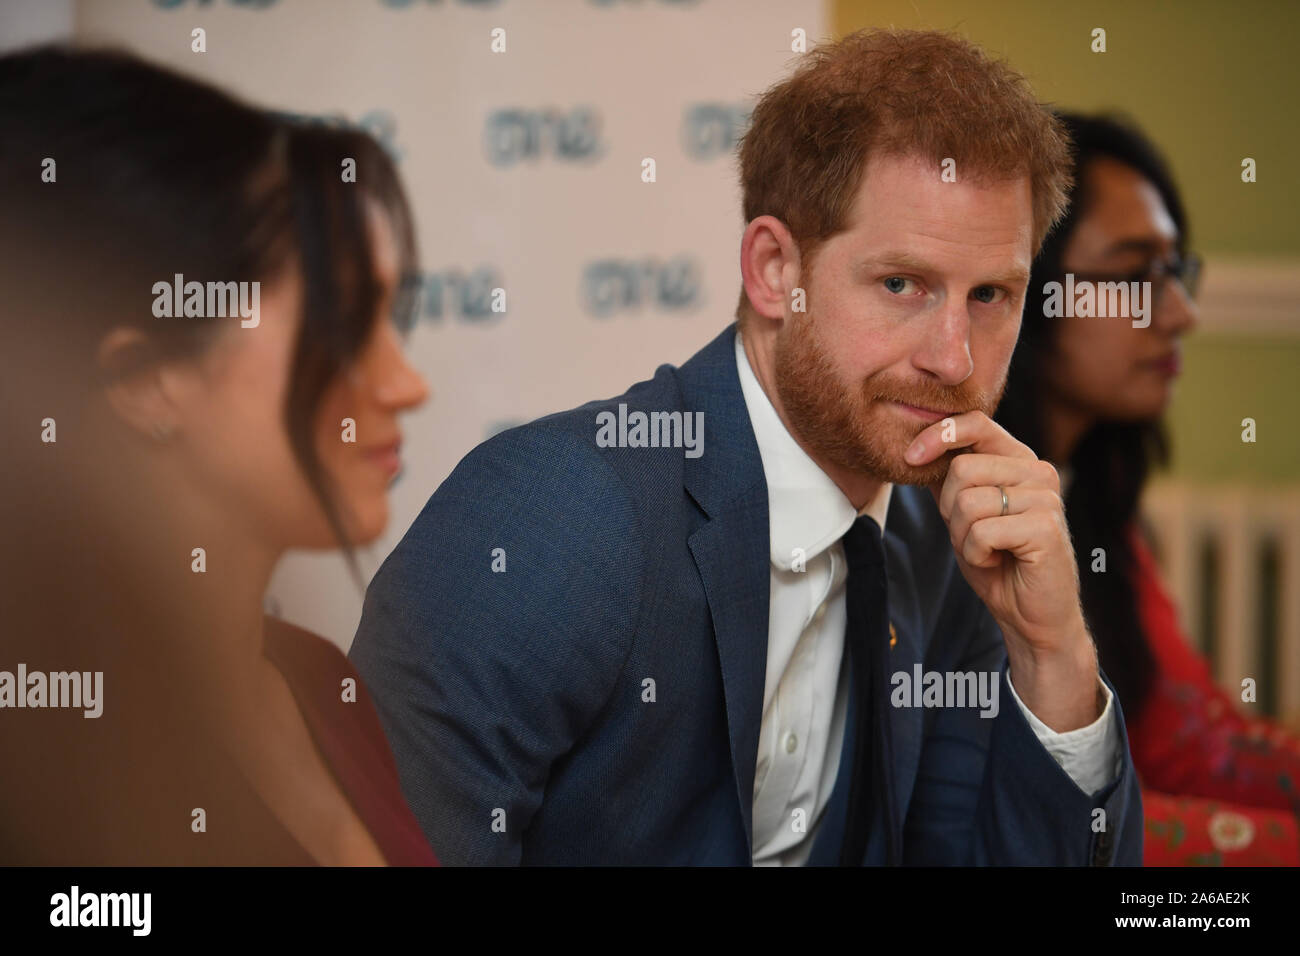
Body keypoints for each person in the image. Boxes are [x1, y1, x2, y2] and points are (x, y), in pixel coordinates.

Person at [351, 28, 1142, 865]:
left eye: (991, 294)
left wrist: (1054, 655)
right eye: (901, 284)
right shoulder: (556, 520)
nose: (955, 357)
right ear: (773, 271)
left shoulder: (950, 550)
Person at [0, 47, 435, 865]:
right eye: (343, 325)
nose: (405, 384)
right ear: (146, 378)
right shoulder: (44, 769)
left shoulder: (322, 685)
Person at [996, 111, 1300, 866]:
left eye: (1176, 273)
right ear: (1030, 291)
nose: (1182, 315)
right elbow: (1045, 828)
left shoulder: (1096, 501)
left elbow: (1189, 743)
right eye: (1136, 277)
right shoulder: (965, 515)